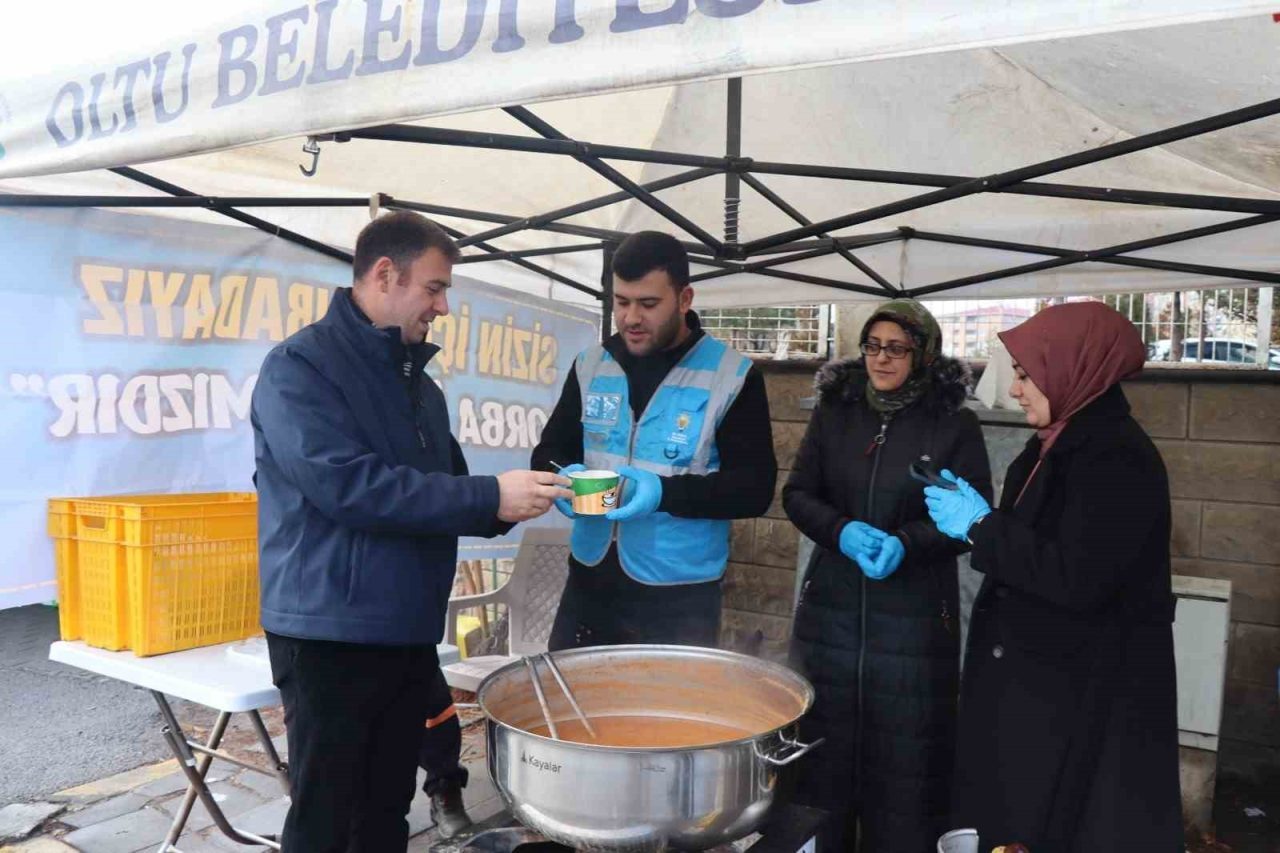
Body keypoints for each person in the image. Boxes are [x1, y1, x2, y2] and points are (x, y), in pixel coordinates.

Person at [251, 211, 572, 852]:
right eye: (434, 287)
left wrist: (514, 501)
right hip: (328, 633)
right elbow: (348, 487)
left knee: (386, 813)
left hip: (406, 631)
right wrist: (488, 495)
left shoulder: (421, 388)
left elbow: (444, 490)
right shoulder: (297, 369)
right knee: (325, 818)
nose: (444, 306)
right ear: (385, 274)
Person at [924, 301, 1182, 850]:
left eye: (1024, 374)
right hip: (1042, 689)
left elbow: (1077, 577)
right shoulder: (1054, 443)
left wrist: (982, 527)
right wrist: (983, 523)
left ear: (1073, 366)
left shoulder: (1116, 458)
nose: (1015, 390)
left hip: (1081, 701)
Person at [783, 299, 992, 853]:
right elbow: (798, 494)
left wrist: (907, 543)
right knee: (821, 762)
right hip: (830, 616)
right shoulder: (835, 412)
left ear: (922, 352)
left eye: (896, 347)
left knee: (905, 771)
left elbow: (971, 517)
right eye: (873, 345)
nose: (882, 358)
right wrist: (841, 532)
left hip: (915, 623)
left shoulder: (954, 425)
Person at [531, 231, 777, 649]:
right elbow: (550, 452)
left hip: (679, 595)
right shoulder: (591, 365)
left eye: (648, 304)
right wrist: (563, 477)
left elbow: (753, 491)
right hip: (590, 576)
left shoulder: (732, 375)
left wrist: (662, 493)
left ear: (684, 300)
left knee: (664, 713)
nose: (630, 318)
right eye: (621, 302)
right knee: (570, 705)